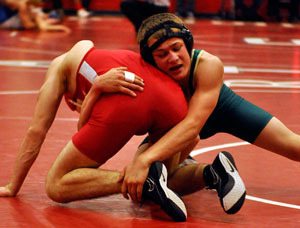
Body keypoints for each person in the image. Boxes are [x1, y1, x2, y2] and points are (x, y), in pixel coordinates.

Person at [0, 39, 246, 220]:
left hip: (126, 103)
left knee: (56, 184)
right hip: (175, 102)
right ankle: (212, 173)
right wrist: (95, 89)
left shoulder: (57, 72)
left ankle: (133, 181)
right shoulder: (86, 50)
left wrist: (13, 186)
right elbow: (190, 137)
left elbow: (37, 131)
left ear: (70, 98)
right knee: (161, 175)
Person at [120, 12, 300, 212]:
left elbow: (193, 125)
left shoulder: (207, 64)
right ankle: (215, 172)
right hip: (178, 125)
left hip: (222, 109)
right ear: (151, 60)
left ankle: (186, 162)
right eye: (162, 54)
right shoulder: (143, 74)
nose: (173, 58)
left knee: (294, 146)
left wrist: (145, 159)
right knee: (145, 185)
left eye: (177, 48)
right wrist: (100, 87)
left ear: (187, 45)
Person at [0, 0, 70, 32]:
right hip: (3, 22)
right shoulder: (22, 4)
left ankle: (46, 21)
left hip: (8, 19)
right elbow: (28, 26)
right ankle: (46, 21)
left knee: (36, 14)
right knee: (35, 14)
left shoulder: (27, 6)